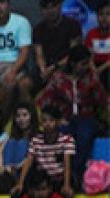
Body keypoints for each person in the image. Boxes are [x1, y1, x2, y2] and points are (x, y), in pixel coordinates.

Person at [36, 46, 108, 178]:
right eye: (83, 63)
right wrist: (56, 119)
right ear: (73, 63)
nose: (87, 66)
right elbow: (45, 101)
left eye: (88, 63)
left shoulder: (91, 78)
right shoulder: (58, 78)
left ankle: (76, 176)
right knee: (61, 135)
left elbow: (102, 100)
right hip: (65, 118)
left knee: (84, 137)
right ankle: (59, 175)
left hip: (86, 118)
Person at [15, 104, 75, 198]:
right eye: (44, 120)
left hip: (59, 178)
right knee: (17, 195)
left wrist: (66, 185)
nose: (47, 123)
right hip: (42, 179)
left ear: (57, 122)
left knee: (67, 195)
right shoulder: (35, 140)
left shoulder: (67, 139)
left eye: (51, 120)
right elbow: (28, 161)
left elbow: (67, 163)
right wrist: (20, 183)